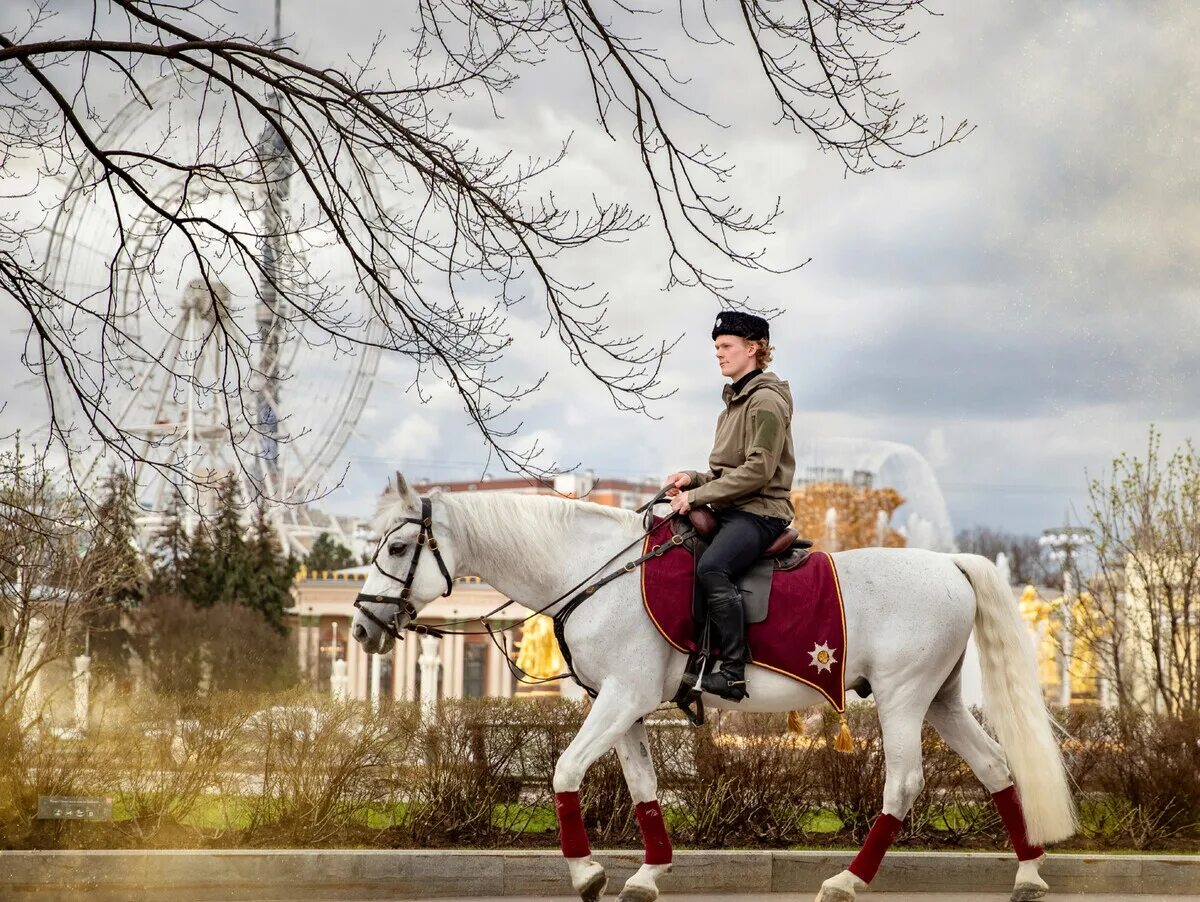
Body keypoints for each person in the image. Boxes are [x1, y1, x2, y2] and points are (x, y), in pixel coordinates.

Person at [664, 311, 796, 701]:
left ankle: (734, 673)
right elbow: (725, 473)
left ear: (753, 349)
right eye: (716, 347)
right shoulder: (733, 404)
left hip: (760, 513)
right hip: (734, 507)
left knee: (713, 567)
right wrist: (693, 478)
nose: (718, 354)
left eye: (726, 346)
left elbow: (758, 471)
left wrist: (698, 497)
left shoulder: (766, 401)